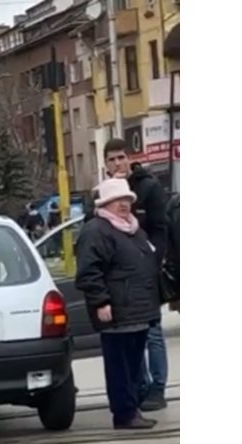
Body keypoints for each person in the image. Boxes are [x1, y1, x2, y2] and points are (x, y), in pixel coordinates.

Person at [76, 178, 162, 430]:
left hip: (139, 313)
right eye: (117, 200)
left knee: (133, 365)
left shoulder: (134, 229)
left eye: (127, 199)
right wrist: (101, 302)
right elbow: (89, 272)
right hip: (116, 314)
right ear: (105, 204)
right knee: (120, 368)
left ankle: (132, 409)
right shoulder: (96, 231)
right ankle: (124, 413)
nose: (124, 204)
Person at [102, 139, 169, 411]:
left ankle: (158, 387)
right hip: (119, 278)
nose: (117, 164)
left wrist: (152, 260)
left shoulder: (148, 188)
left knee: (152, 331)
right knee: (131, 335)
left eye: (121, 158)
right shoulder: (102, 193)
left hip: (146, 274)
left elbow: (161, 228)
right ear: (105, 164)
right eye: (112, 160)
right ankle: (139, 386)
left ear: (130, 159)